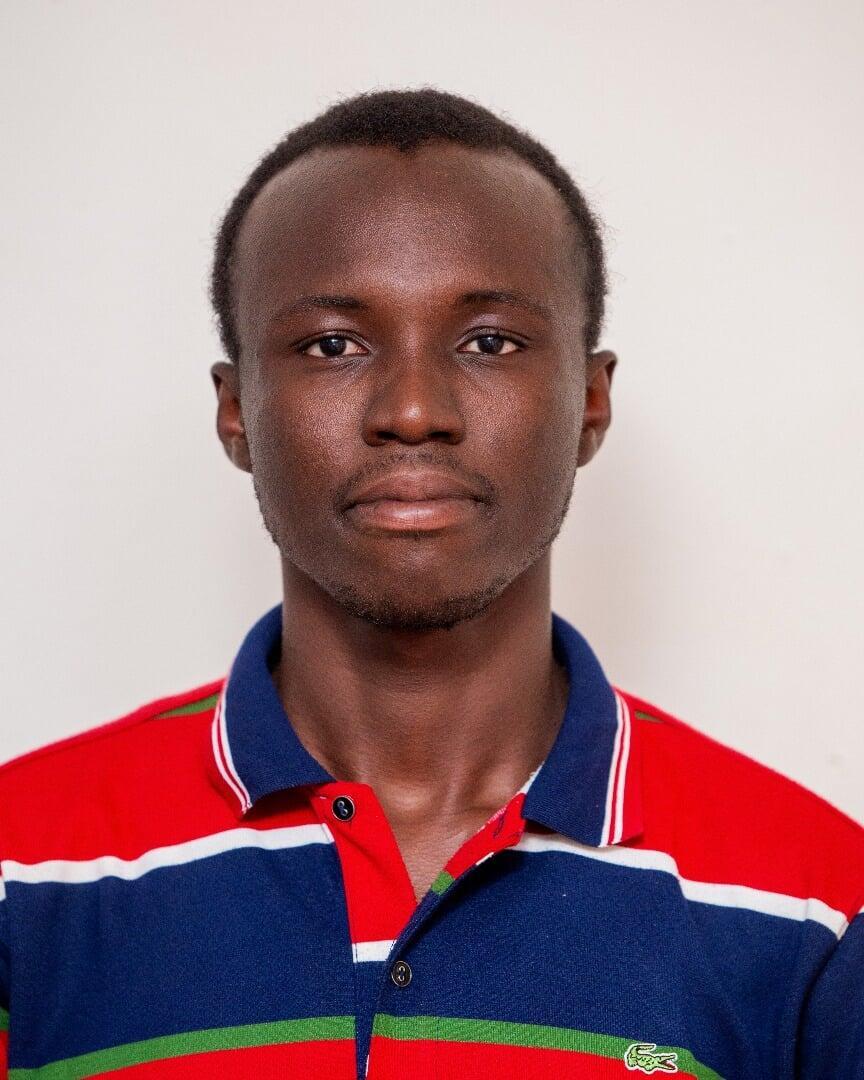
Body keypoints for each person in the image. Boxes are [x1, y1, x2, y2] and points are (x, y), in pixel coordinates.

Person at [0, 89, 861, 1080]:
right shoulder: (24, 869)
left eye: (490, 341)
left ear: (589, 403)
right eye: (333, 345)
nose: (413, 411)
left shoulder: (819, 907)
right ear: (237, 413)